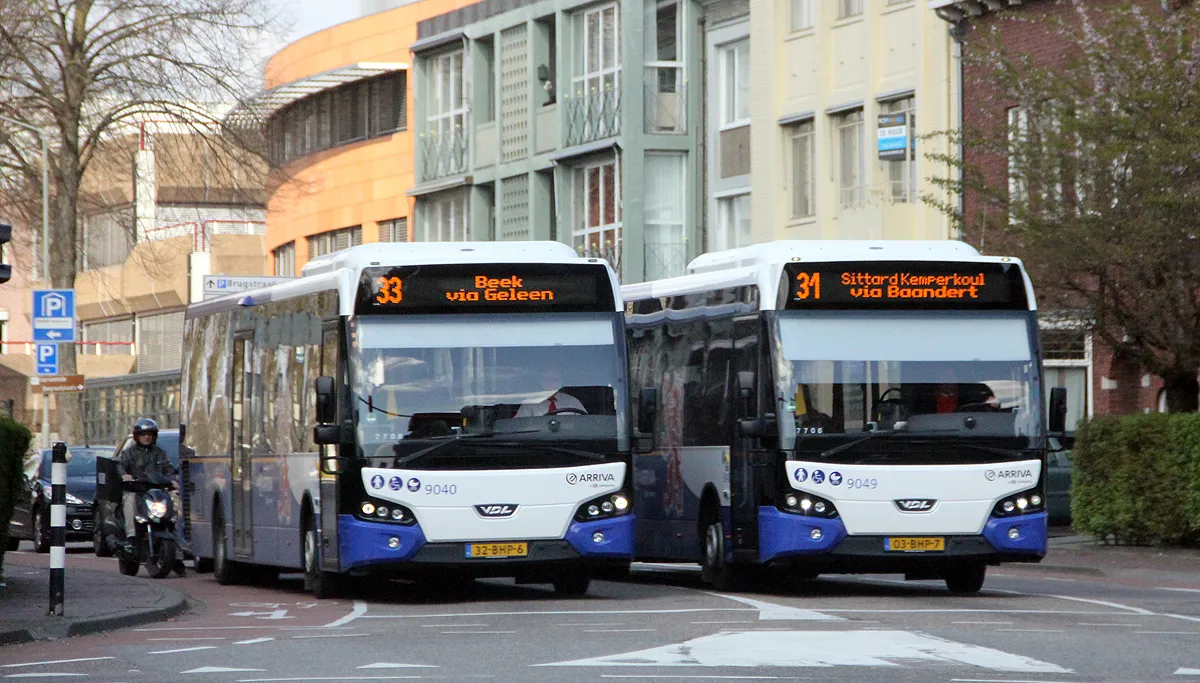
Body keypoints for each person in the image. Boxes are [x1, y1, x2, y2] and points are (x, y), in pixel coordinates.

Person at [118, 418, 176, 549]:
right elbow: (121, 466)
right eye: (143, 434)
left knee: (174, 500)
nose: (147, 437)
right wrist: (125, 475)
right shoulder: (129, 453)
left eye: (150, 434)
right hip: (137, 490)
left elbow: (169, 468)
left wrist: (173, 479)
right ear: (137, 436)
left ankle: (175, 534)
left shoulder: (160, 453)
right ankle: (131, 536)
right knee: (128, 500)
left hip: (156, 491)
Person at [515, 368, 586, 417]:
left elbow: (585, 424)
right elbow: (519, 426)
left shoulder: (572, 401)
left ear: (561, 382)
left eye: (554, 380)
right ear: (540, 381)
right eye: (546, 379)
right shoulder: (529, 403)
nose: (550, 383)